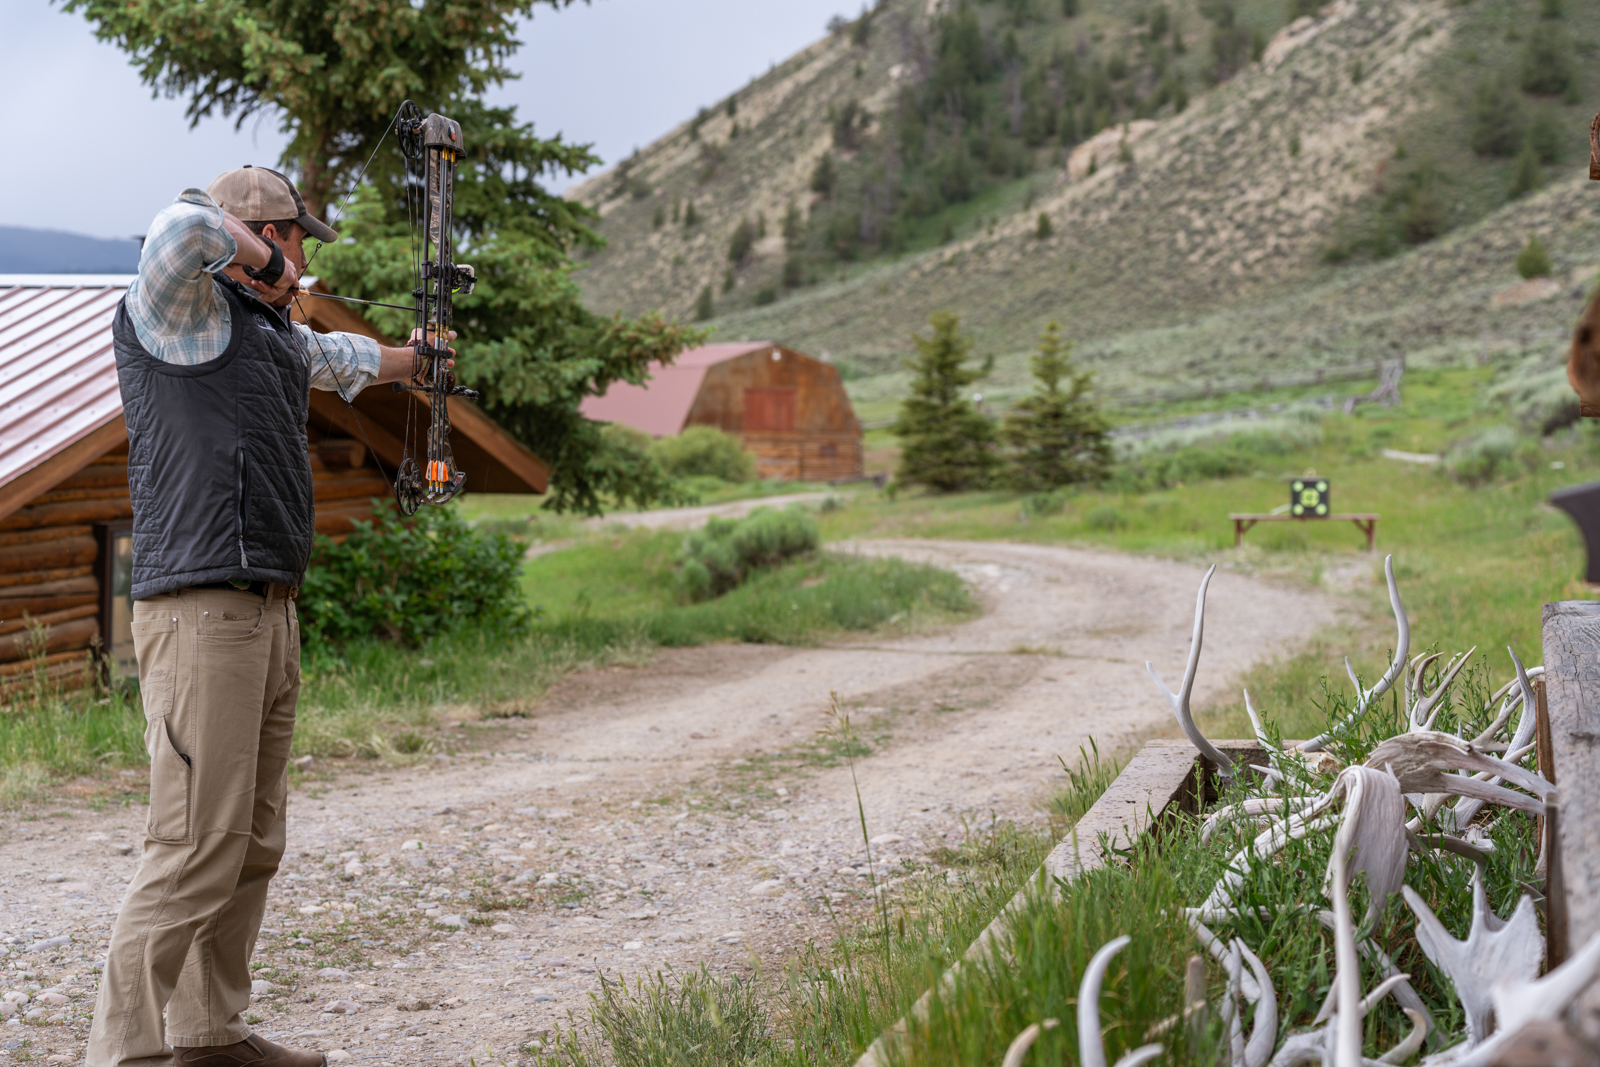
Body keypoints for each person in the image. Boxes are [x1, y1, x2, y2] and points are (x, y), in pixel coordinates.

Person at [88, 166, 447, 1067]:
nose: (301, 256)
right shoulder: (178, 306)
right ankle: (121, 1053)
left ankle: (210, 1032)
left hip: (267, 607)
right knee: (194, 842)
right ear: (257, 233)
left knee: (251, 838)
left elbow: (334, 362)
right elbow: (177, 226)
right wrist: (264, 264)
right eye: (292, 236)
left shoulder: (260, 329)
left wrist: (412, 361)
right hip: (202, 609)